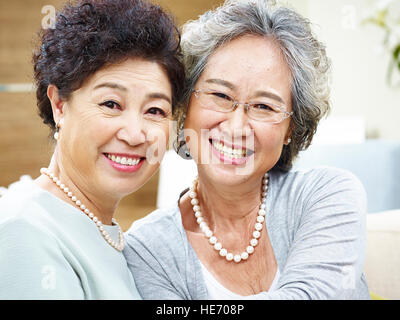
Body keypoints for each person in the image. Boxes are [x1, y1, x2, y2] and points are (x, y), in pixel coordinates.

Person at [123, 0, 370, 300]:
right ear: (186, 103)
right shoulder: (147, 249)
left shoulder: (328, 196)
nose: (236, 126)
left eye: (264, 106)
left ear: (291, 128)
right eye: (220, 95)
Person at [0, 0, 184, 299]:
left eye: (155, 110)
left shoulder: (108, 232)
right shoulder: (25, 230)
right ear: (59, 105)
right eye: (111, 104)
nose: (135, 134)